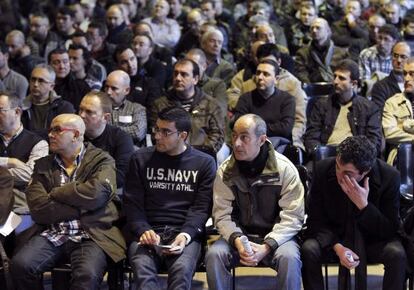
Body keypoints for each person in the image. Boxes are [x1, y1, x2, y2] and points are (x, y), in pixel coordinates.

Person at [10, 114, 126, 290]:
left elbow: (97, 195)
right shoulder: (43, 164)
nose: (50, 134)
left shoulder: (101, 160)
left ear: (76, 135)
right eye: (50, 130)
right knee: (21, 266)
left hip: (91, 234)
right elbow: (39, 208)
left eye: (57, 130)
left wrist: (56, 193)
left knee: (87, 274)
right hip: (54, 232)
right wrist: (83, 206)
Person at [205, 113, 304, 290]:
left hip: (277, 238)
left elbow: (293, 217)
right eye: (234, 136)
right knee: (214, 254)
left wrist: (266, 247)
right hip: (239, 236)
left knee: (289, 258)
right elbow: (221, 215)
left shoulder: (285, 170)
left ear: (261, 139)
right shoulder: (226, 171)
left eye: (244, 137)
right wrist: (238, 241)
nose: (236, 143)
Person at [124, 106, 216, 290]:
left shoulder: (204, 163)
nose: (157, 136)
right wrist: (143, 230)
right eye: (156, 129)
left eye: (165, 132)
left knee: (181, 271)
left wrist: (186, 234)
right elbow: (132, 203)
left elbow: (201, 208)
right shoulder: (140, 158)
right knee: (143, 270)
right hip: (148, 231)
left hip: (183, 231)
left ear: (183, 136)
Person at [302, 136, 406, 290]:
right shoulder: (323, 169)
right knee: (308, 248)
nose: (338, 174)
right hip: (334, 238)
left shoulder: (389, 177)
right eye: (337, 166)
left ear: (365, 172)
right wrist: (338, 247)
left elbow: (390, 229)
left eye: (347, 173)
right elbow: (315, 221)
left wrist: (363, 205)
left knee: (396, 253)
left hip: (372, 240)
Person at [150, 58, 224, 158]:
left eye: (184, 74)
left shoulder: (211, 105)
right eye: (175, 73)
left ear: (196, 79)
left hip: (201, 157)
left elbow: (218, 135)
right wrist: (176, 151)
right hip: (169, 156)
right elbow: (156, 134)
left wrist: (198, 154)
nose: (178, 78)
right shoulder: (160, 104)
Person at [0, 91, 48, 215]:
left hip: (20, 206)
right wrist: (11, 162)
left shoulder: (38, 143)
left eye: (0, 110)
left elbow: (31, 175)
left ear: (17, 112)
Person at [79, 91, 134, 190]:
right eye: (80, 109)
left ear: (106, 117)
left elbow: (120, 176)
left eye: (89, 112)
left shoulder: (121, 139)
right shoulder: (73, 133)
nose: (82, 115)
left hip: (104, 193)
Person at [233, 59, 296, 146]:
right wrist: (272, 127)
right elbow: (239, 125)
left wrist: (254, 129)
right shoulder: (245, 99)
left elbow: (285, 129)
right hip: (250, 144)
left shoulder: (287, 100)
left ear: (276, 79)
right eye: (258, 73)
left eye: (266, 74)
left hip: (279, 144)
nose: (260, 77)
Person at [22, 64, 75, 139]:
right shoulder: (20, 107)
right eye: (33, 79)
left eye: (41, 81)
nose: (35, 84)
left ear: (51, 86)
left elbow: (61, 135)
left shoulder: (64, 108)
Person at [295, 17, 349, 84]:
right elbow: (301, 74)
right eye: (312, 28)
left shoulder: (341, 53)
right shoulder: (302, 53)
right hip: (313, 89)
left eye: (318, 28)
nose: (314, 30)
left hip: (337, 88)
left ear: (327, 31)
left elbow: (346, 74)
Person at [104, 70, 147, 146]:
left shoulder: (137, 109)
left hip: (131, 153)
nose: (108, 92)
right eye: (106, 87)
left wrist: (109, 130)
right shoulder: (99, 108)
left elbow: (138, 133)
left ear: (127, 90)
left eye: (114, 88)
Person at [371, 41, 411, 109]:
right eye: (395, 56)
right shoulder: (380, 87)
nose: (398, 60)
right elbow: (380, 114)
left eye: (403, 57)